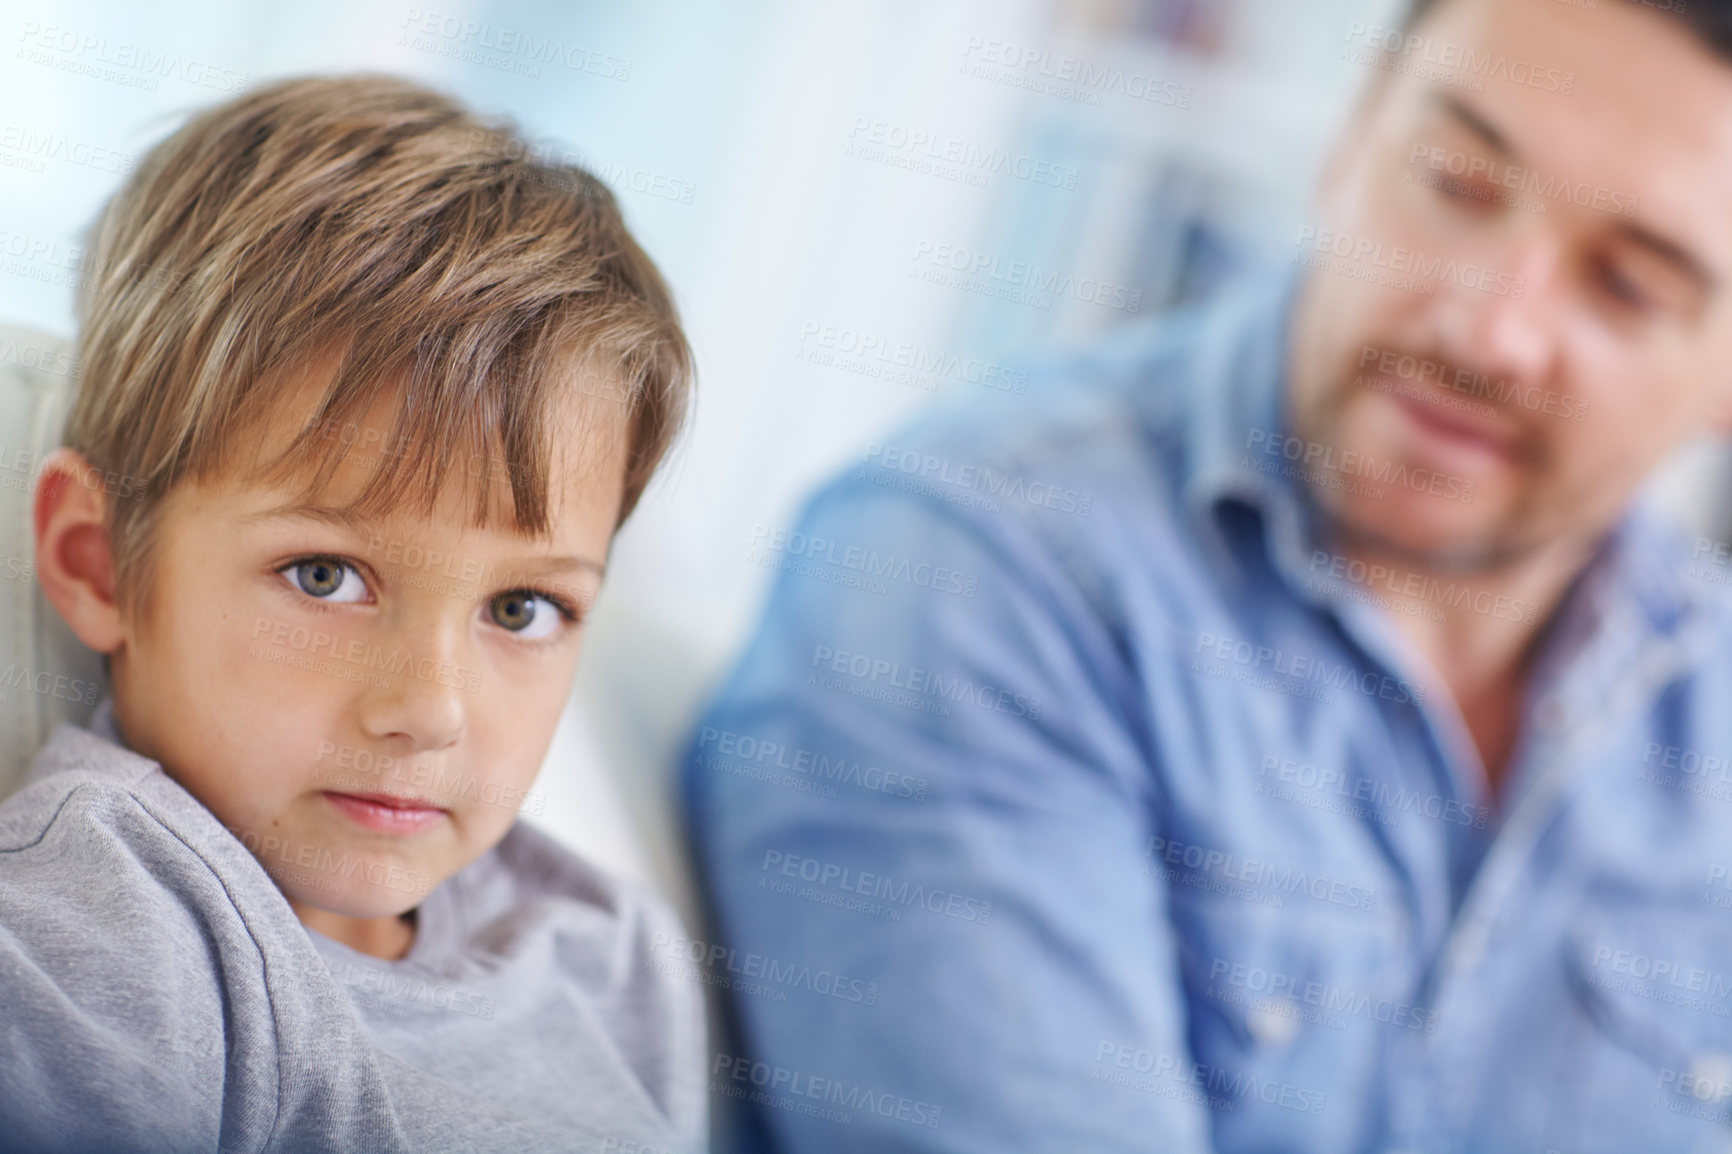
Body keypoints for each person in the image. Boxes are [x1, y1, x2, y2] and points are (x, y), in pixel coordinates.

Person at [682, 0, 1732, 1149]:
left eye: (1627, 285)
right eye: (1454, 182)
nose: (1489, 330)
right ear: (1352, 129)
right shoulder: (976, 569)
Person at [1, 74, 703, 1153]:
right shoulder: (106, 945)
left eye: (522, 605)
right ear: (98, 563)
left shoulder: (612, 951)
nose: (428, 709)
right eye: (325, 575)